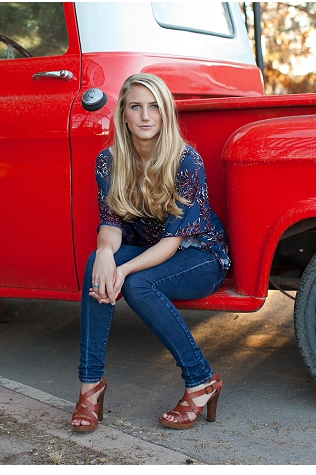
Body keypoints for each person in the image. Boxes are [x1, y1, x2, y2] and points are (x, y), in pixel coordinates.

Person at [71, 73, 230, 432]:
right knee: (97, 263)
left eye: (154, 107)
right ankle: (90, 386)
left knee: (137, 284)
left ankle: (200, 379)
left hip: (200, 256)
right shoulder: (108, 162)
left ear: (166, 113)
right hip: (151, 252)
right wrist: (107, 255)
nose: (145, 115)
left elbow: (172, 242)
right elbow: (110, 224)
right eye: (136, 107)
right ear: (123, 115)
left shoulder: (186, 160)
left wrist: (122, 271)